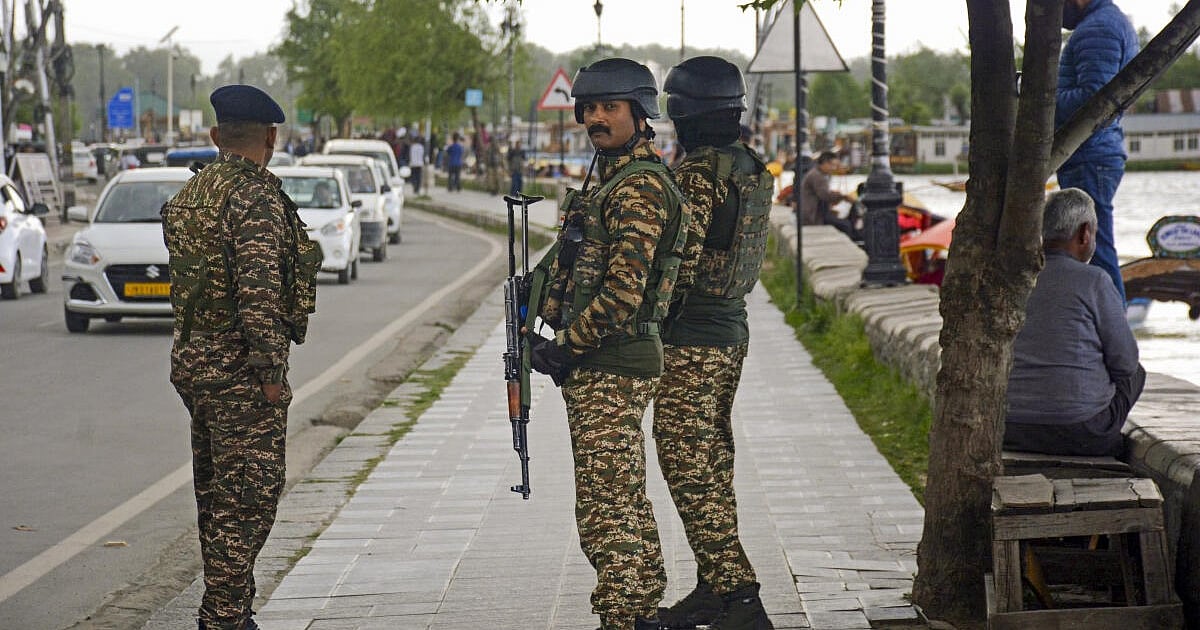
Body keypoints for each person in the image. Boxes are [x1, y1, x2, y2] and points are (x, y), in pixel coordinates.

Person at [524, 57, 689, 630]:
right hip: (605, 362)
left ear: (640, 114)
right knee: (621, 495)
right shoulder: (613, 179)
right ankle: (638, 609)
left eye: (610, 107)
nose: (597, 117)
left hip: (612, 363)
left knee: (606, 504)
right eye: (590, 108)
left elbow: (622, 294)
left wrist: (564, 347)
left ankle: (623, 615)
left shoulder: (638, 187)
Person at [161, 84, 321, 630]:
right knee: (249, 496)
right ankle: (224, 617)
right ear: (271, 138)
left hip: (195, 365)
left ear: (214, 136)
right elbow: (258, 295)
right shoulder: (253, 198)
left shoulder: (192, 193)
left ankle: (233, 607)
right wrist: (271, 372)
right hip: (240, 375)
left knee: (215, 493)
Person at [653, 55, 775, 630]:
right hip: (730, 332)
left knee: (687, 460)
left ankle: (740, 595)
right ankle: (713, 589)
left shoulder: (698, 175)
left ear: (683, 115)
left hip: (693, 338)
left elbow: (676, 260)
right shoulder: (750, 165)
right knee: (710, 457)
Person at [1004, 188, 1144, 457]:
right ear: (1084, 233)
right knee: (1136, 373)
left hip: (1011, 428)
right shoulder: (1095, 280)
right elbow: (1126, 364)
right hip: (1079, 432)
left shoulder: (1014, 279)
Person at [1056, 0, 1139, 303]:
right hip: (1094, 155)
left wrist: (1039, 96)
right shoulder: (1107, 23)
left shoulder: (1098, 29)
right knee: (1090, 251)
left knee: (1096, 253)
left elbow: (1094, 102)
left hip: (1090, 156)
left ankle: (1114, 328)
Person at [799, 151, 854, 238]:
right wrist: (843, 197)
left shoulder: (818, 173)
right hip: (813, 217)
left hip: (816, 213)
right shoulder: (817, 176)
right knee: (846, 226)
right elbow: (825, 195)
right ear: (825, 163)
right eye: (832, 165)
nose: (834, 168)